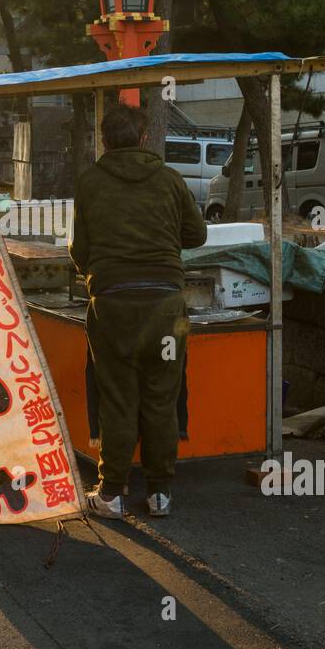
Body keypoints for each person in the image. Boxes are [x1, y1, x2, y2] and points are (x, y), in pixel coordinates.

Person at [69, 105, 207, 519]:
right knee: (161, 397)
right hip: (167, 309)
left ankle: (111, 493)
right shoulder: (169, 179)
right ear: (145, 138)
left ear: (105, 140)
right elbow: (196, 234)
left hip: (113, 308)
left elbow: (81, 250)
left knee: (118, 397)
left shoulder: (90, 182)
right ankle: (160, 493)